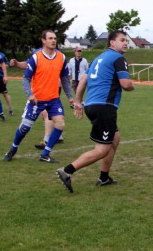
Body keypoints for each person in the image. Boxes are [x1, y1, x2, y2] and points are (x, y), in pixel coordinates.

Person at [56, 30, 134, 193]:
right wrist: (132, 85)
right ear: (112, 43)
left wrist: (78, 102)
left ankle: (104, 177)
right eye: (122, 40)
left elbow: (83, 79)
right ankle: (67, 171)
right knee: (102, 149)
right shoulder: (119, 58)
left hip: (91, 104)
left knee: (114, 138)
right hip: (104, 106)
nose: (125, 43)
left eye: (126, 40)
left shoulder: (98, 59)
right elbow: (126, 84)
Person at [3, 30, 73, 163]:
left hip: (53, 100)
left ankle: (45, 154)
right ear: (43, 41)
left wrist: (70, 96)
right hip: (36, 100)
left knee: (60, 123)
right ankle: (13, 148)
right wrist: (30, 95)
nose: (53, 41)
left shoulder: (61, 57)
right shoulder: (36, 57)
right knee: (25, 128)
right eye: (50, 38)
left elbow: (64, 78)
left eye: (55, 38)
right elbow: (25, 79)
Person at [10, 58, 65, 149]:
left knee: (46, 113)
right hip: (45, 88)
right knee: (49, 114)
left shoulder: (57, 55)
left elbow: (63, 73)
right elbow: (27, 64)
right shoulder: (38, 54)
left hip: (50, 88)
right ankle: (57, 135)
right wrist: (17, 63)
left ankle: (46, 140)